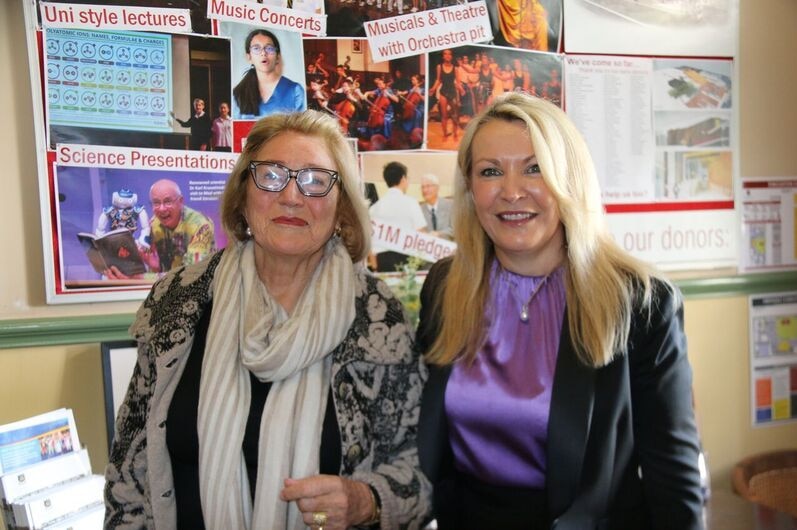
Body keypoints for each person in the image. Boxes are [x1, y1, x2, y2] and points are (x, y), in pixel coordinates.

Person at [104, 110, 431, 530]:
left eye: (315, 180)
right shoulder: (177, 298)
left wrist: (366, 500)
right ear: (242, 196)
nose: (292, 196)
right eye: (271, 176)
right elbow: (127, 469)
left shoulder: (377, 317)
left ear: (342, 207)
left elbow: (419, 474)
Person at [417, 93, 703, 529]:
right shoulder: (444, 287)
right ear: (472, 191)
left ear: (568, 179)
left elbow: (673, 471)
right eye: (490, 172)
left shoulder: (640, 301)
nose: (512, 191)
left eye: (534, 168)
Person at [145, 179, 216, 273]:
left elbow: (192, 274)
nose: (161, 209)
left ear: (181, 201)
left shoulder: (201, 226)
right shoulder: (153, 225)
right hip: (166, 284)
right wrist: (155, 269)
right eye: (156, 203)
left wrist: (142, 278)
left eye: (168, 202)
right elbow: (154, 271)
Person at [233, 29, 306, 119]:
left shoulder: (295, 91)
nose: (263, 53)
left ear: (277, 57)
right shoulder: (238, 94)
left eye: (269, 48)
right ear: (249, 57)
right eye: (256, 48)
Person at [368, 161, 427, 272]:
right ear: (403, 178)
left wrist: (375, 265)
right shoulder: (411, 203)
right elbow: (421, 234)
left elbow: (370, 239)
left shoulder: (374, 208)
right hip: (408, 258)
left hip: (383, 260)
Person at [429, 49, 462, 140]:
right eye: (445, 54)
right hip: (443, 92)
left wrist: (461, 90)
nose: (447, 56)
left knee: (455, 115)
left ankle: (455, 134)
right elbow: (438, 80)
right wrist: (433, 88)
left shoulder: (455, 68)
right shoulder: (439, 67)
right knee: (444, 115)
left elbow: (458, 82)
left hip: (452, 92)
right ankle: (445, 134)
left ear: (451, 56)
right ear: (443, 56)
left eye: (449, 54)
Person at [419, 173, 453, 240]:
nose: (424, 190)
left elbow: (456, 229)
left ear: (437, 188)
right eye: (422, 187)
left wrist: (439, 233)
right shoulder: (419, 209)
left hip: (449, 248)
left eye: (428, 186)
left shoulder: (450, 205)